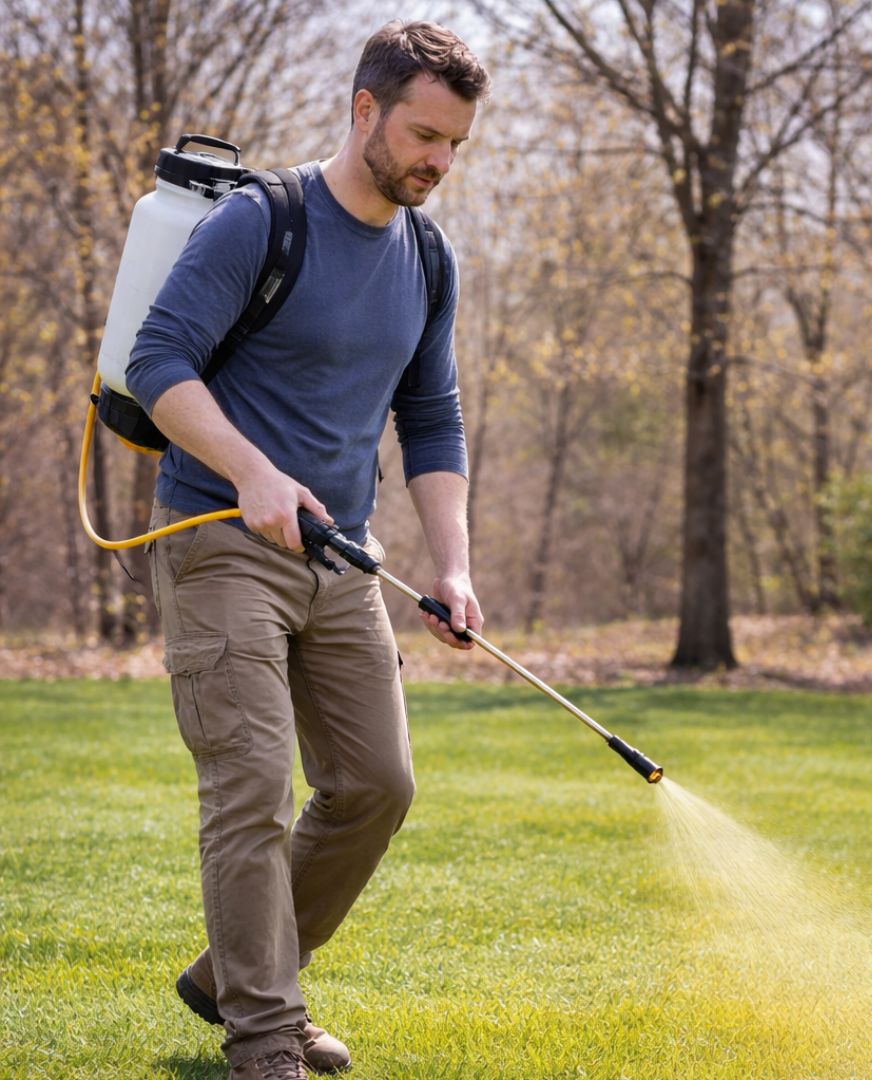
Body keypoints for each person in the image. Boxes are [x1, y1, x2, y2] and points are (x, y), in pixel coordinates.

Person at [125, 21, 490, 1080]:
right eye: (426, 134)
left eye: (456, 144)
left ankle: (225, 976)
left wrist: (453, 565)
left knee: (379, 784)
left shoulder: (427, 255)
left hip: (343, 557)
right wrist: (249, 470)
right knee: (250, 787)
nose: (439, 161)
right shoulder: (260, 223)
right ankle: (266, 1035)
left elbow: (433, 418)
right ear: (365, 109)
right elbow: (158, 362)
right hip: (215, 539)